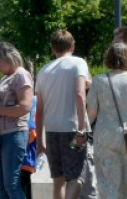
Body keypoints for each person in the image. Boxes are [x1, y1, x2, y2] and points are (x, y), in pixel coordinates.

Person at [86, 43, 127, 198]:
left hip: (106, 136)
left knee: (108, 182)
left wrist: (82, 132)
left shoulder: (99, 81)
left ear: (108, 58)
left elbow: (91, 113)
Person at [35, 29, 90, 199]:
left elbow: (39, 109)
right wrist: (82, 127)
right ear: (73, 46)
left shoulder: (44, 70)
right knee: (76, 176)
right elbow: (80, 94)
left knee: (58, 179)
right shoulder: (78, 63)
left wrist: (39, 141)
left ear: (52, 49)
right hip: (73, 129)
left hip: (52, 130)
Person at [0, 42, 33, 199]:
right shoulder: (5, 78)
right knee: (2, 188)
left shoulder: (21, 75)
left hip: (14, 134)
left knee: (11, 185)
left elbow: (25, 106)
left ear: (9, 58)